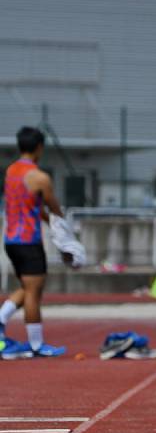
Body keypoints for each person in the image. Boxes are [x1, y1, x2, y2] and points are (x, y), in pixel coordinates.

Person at [0, 127, 67, 359]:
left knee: (27, 287)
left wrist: (47, 220)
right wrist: (64, 234)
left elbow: (32, 207)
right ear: (39, 147)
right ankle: (36, 345)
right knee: (34, 293)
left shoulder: (10, 172)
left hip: (10, 239)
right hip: (29, 241)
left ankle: (1, 319)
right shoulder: (39, 177)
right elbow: (53, 207)